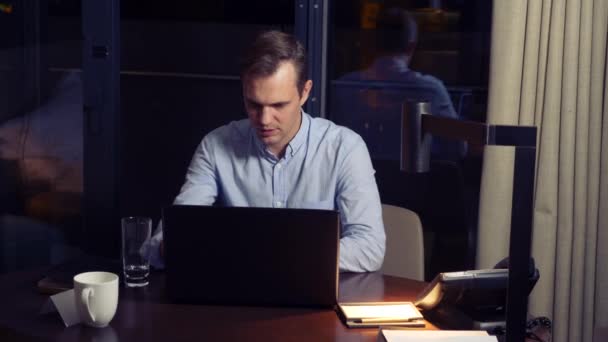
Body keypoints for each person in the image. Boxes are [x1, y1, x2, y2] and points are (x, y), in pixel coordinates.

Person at [146, 30, 385, 273]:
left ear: (305, 92)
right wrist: (170, 245)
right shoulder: (215, 146)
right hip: (238, 298)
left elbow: (369, 247)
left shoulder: (345, 148)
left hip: (315, 297)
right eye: (254, 104)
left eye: (279, 105)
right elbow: (164, 241)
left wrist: (272, 256)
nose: (264, 119)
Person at [332, 7, 466, 161]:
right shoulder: (431, 89)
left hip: (352, 181)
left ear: (372, 43)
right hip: (415, 183)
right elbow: (457, 148)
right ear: (411, 46)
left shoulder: (343, 87)